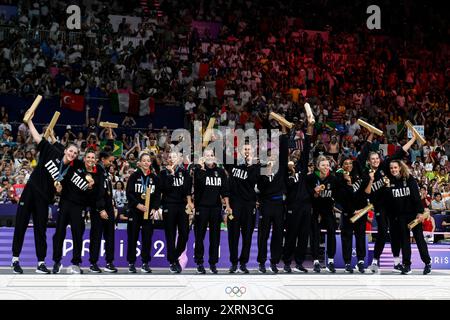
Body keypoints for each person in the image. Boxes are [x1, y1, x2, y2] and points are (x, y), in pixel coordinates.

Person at [11, 118, 78, 274]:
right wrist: (30, 122)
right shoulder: (52, 151)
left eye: (75, 153)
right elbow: (37, 137)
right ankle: (15, 259)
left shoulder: (69, 172)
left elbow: (62, 191)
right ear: (65, 150)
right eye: (70, 151)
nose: (72, 154)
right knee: (20, 224)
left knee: (40, 229)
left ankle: (41, 263)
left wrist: (60, 189)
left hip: (44, 198)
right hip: (30, 191)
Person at [359, 132, 418, 273]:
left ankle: (397, 262)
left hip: (393, 206)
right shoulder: (366, 174)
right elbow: (367, 193)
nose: (375, 161)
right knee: (382, 231)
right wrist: (370, 136)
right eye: (372, 159)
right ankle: (374, 262)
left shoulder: (385, 166)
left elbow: (400, 152)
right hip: (379, 207)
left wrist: (413, 139)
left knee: (395, 233)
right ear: (369, 161)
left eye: (376, 158)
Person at [52, 149, 100, 274]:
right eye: (88, 157)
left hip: (79, 207)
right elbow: (65, 162)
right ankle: (57, 262)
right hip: (65, 203)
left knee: (77, 235)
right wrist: (59, 186)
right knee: (59, 233)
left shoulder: (96, 175)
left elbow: (93, 196)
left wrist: (91, 187)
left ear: (95, 161)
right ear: (84, 159)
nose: (90, 159)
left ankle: (76, 263)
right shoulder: (76, 164)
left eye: (92, 158)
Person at [385, 160, 432, 275]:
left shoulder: (409, 178)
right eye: (391, 168)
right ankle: (407, 265)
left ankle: (427, 263)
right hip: (400, 216)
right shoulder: (389, 181)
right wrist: (387, 188)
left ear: (400, 168)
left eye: (395, 167)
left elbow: (416, 196)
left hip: (413, 214)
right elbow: (390, 201)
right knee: (404, 241)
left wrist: (420, 212)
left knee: (419, 239)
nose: (393, 170)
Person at [256, 124, 289, 273]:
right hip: (265, 204)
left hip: (278, 204)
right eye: (270, 155)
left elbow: (283, 150)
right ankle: (261, 262)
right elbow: (260, 188)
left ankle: (274, 262)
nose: (273, 157)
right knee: (263, 235)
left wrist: (283, 133)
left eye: (275, 156)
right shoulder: (262, 169)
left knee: (277, 234)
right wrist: (266, 172)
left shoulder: (281, 168)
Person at [282, 120, 313, 273]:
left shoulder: (302, 167)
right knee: (291, 235)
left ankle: (299, 263)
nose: (297, 154)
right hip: (292, 206)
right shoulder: (285, 172)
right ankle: (287, 262)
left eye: (298, 153)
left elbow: (306, 148)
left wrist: (309, 129)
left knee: (303, 235)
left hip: (306, 206)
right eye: (294, 152)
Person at [193, 149, 231, 274]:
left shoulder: (220, 172)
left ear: (215, 157)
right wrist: (200, 166)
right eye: (207, 155)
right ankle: (199, 262)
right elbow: (199, 184)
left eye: (211, 155)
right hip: (201, 208)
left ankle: (213, 263)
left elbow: (225, 191)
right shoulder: (198, 170)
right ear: (203, 157)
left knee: (215, 237)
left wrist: (227, 206)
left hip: (215, 208)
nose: (209, 157)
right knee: (200, 236)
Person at [225, 143, 261, 274]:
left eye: (248, 149)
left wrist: (251, 165)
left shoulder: (256, 167)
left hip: (249, 205)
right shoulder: (232, 164)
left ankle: (243, 263)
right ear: (239, 151)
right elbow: (222, 153)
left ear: (253, 152)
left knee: (247, 235)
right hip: (234, 205)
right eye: (244, 149)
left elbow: (253, 181)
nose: (246, 151)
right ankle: (233, 263)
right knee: (232, 235)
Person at [336, 157, 374, 273]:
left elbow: (364, 193)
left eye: (350, 163)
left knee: (360, 236)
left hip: (360, 212)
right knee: (346, 238)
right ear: (342, 166)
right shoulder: (339, 178)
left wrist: (360, 209)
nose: (348, 165)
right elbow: (342, 198)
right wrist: (347, 182)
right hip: (348, 213)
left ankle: (361, 261)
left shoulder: (359, 175)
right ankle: (347, 262)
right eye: (345, 163)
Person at [126, 152, 161, 273]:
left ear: (150, 163)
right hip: (135, 212)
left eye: (148, 160)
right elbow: (129, 193)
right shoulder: (134, 176)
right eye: (144, 160)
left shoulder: (154, 178)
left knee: (147, 238)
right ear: (139, 162)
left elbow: (157, 196)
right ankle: (131, 263)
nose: (146, 163)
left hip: (148, 213)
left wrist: (154, 208)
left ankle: (145, 263)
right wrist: (137, 205)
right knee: (132, 238)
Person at [159, 151, 194, 273]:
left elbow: (186, 190)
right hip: (169, 205)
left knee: (184, 233)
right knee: (170, 235)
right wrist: (171, 175)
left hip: (182, 206)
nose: (171, 159)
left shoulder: (185, 173)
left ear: (179, 159)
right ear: (167, 159)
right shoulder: (163, 173)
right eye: (169, 157)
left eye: (174, 157)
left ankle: (174, 256)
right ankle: (173, 262)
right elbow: (164, 189)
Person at [306, 155, 340, 273]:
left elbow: (336, 195)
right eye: (323, 165)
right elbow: (306, 195)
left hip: (328, 210)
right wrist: (313, 193)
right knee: (315, 234)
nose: (326, 167)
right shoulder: (310, 178)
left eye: (327, 165)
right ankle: (315, 261)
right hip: (315, 210)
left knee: (332, 232)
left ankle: (330, 260)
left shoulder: (333, 179)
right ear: (317, 166)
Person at [88, 149, 118, 273]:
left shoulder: (105, 171)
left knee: (110, 235)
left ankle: (109, 262)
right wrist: (101, 209)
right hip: (98, 209)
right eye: (109, 160)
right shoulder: (98, 170)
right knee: (96, 236)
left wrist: (112, 205)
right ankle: (93, 263)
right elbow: (97, 192)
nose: (111, 163)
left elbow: (107, 191)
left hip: (109, 207)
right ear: (102, 159)